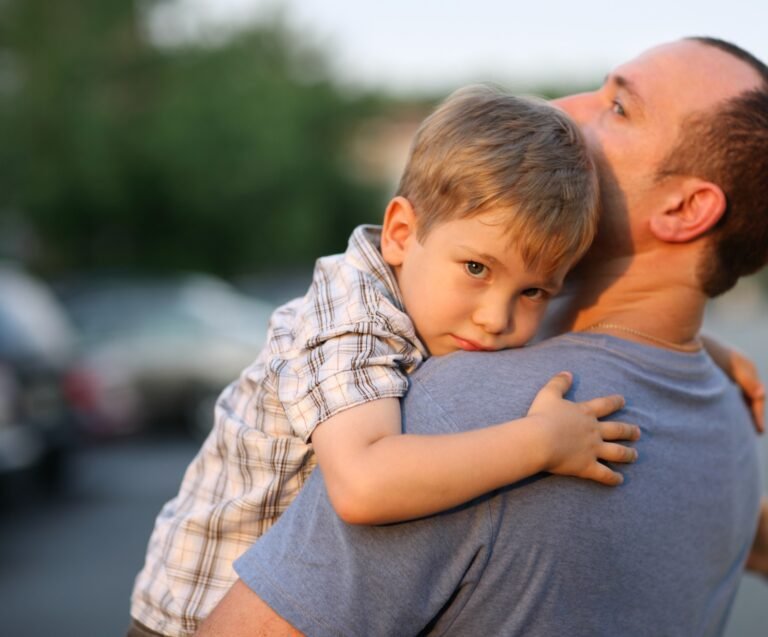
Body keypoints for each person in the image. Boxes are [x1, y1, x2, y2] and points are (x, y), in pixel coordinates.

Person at [196, 36, 768, 636]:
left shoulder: (469, 412)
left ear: (685, 209)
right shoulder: (727, 419)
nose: (560, 109)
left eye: (618, 108)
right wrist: (707, 353)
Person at [130, 86, 649, 637]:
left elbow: (596, 307)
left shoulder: (435, 302)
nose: (497, 318)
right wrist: (541, 443)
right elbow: (363, 484)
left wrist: (706, 350)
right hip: (195, 619)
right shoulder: (349, 316)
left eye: (534, 293)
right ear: (401, 233)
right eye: (476, 269)